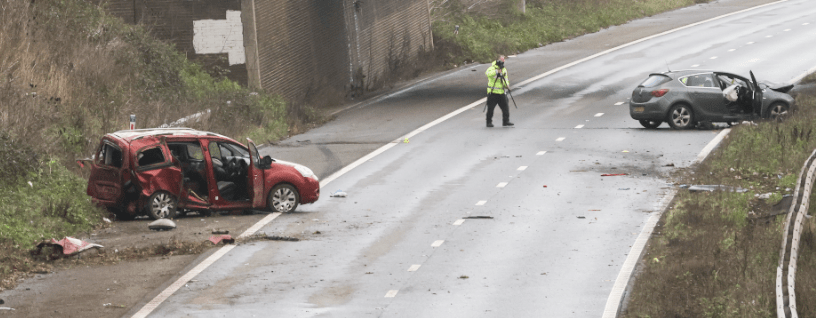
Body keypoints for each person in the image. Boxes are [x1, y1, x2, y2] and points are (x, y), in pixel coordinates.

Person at [485, 55, 513, 127]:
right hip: (493, 93)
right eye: (502, 61)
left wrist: (507, 85)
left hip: (501, 92)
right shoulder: (492, 68)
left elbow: (505, 78)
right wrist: (496, 72)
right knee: (490, 109)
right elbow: (488, 74)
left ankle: (506, 121)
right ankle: (488, 122)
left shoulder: (504, 69)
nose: (503, 62)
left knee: (505, 108)